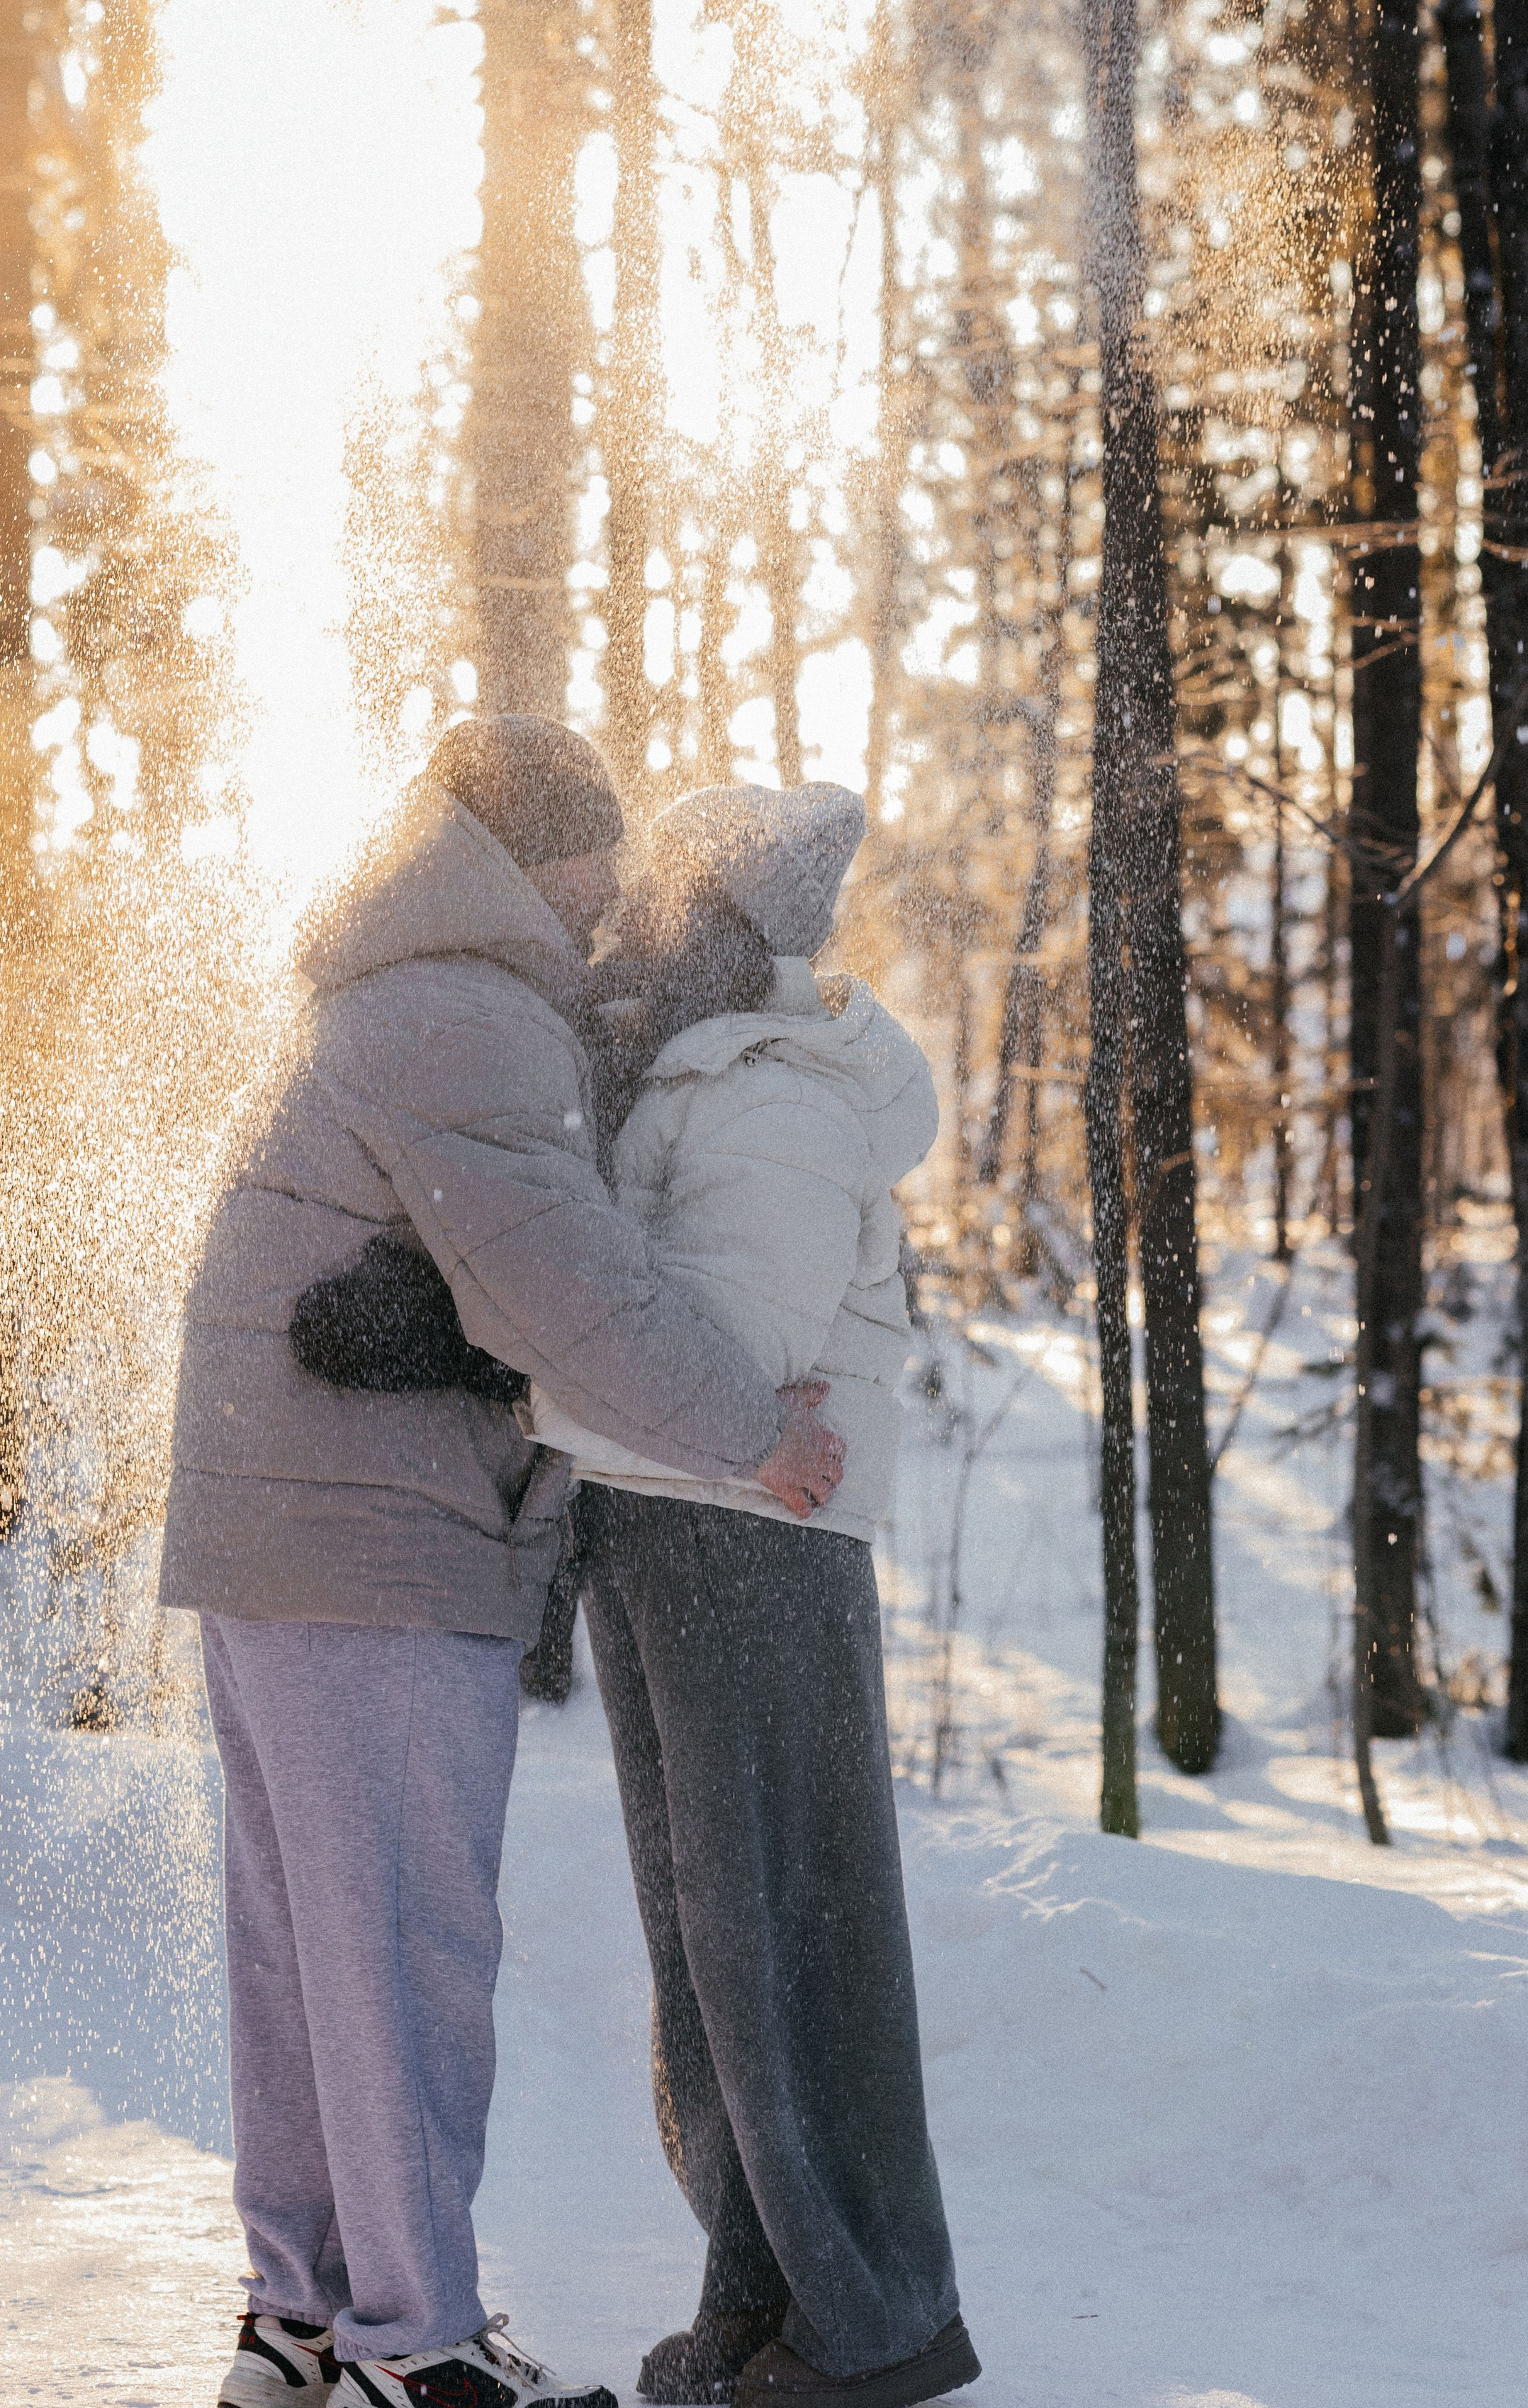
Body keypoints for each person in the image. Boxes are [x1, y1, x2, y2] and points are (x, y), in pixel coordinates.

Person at [157, 717, 846, 2408]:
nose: (623, 896)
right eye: (605, 854)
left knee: (309, 1946)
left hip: (276, 1531)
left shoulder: (390, 988)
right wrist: (750, 1424)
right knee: (399, 1945)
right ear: (553, 852)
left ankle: (303, 2320)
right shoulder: (467, 1008)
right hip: (369, 1543)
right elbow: (569, 1290)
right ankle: (417, 2345)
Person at [527, 782, 979, 2408]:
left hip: (752, 1549)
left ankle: (873, 2320)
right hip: (670, 1538)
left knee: (790, 1943)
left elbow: (727, 1368)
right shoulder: (689, 1065)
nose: (625, 913)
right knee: (710, 1953)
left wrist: (514, 1386)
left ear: (716, 913)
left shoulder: (774, 1090)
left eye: (657, 889)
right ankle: (760, 2279)